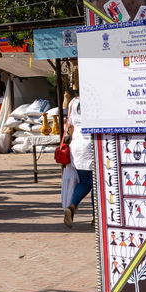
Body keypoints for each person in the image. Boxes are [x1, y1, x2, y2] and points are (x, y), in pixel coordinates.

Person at [62, 92, 95, 228]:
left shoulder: (73, 102)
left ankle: (72, 206)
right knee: (95, 184)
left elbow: (69, 125)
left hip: (77, 147)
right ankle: (96, 217)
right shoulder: (94, 99)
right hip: (91, 145)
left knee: (85, 182)